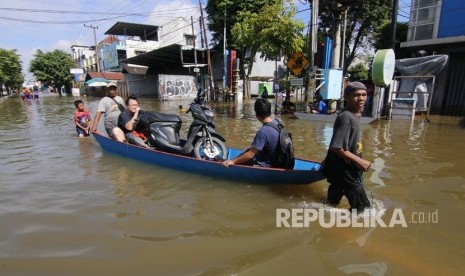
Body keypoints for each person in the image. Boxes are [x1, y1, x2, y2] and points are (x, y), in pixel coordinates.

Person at [323, 81, 372, 213]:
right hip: (346, 170)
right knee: (363, 209)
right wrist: (360, 161)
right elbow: (336, 147)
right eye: (356, 95)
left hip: (341, 167)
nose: (361, 98)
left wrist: (327, 161)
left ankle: (326, 220)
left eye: (364, 94)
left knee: (331, 204)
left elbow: (338, 142)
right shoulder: (346, 117)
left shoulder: (355, 115)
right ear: (347, 97)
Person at [222, 98, 280, 168]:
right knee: (250, 149)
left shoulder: (262, 132)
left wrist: (233, 161)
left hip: (269, 165)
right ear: (270, 111)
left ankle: (229, 161)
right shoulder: (277, 123)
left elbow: (250, 155)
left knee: (248, 153)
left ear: (256, 115)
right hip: (279, 160)